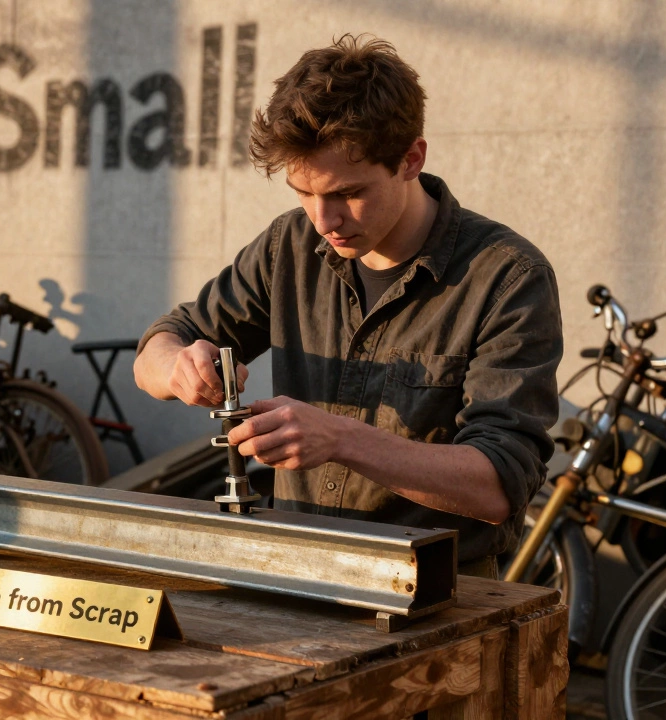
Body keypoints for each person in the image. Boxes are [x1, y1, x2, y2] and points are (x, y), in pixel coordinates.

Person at [132, 34, 562, 579]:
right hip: (293, 576)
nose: (323, 220)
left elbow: (501, 483)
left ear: (411, 159)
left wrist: (339, 439)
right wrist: (178, 366)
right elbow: (158, 345)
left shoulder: (507, 277)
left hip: (434, 601)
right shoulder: (287, 245)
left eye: (348, 194)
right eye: (302, 193)